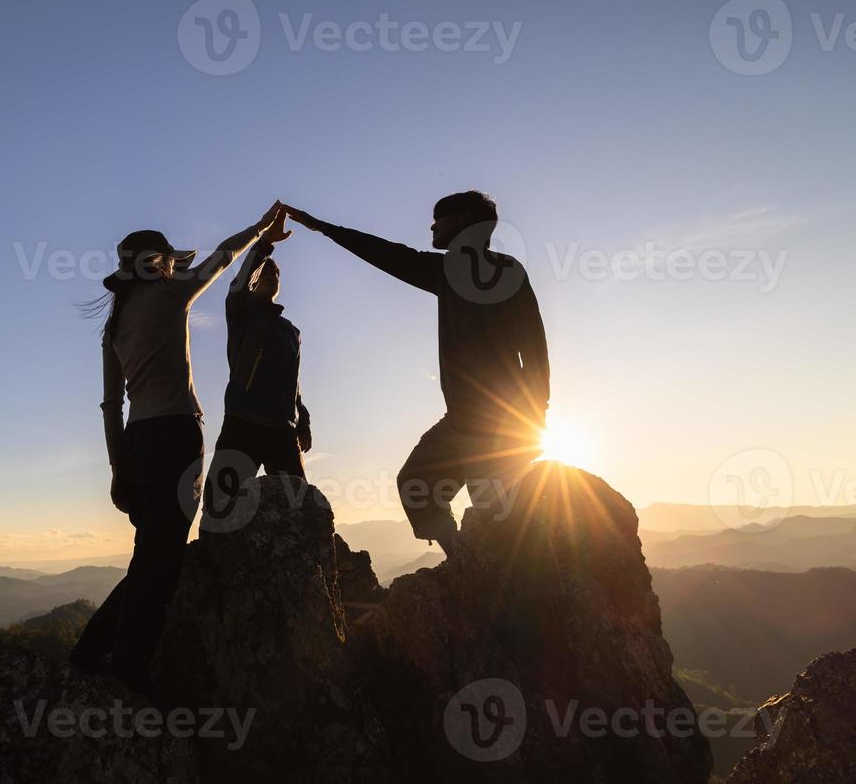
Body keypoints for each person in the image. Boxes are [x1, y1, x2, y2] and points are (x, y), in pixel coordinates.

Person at [70, 201, 282, 693]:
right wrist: (262, 230)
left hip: (137, 447)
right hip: (176, 436)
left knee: (153, 555)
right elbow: (225, 255)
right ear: (161, 264)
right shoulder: (170, 295)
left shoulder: (114, 326)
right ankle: (125, 669)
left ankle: (91, 653)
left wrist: (117, 468)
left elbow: (110, 405)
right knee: (159, 563)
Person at [283, 192, 549, 556]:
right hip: (466, 423)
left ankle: (497, 582)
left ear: (465, 220)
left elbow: (533, 347)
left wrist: (535, 412)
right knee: (417, 484)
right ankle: (464, 557)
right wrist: (324, 228)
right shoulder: (466, 271)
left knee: (503, 527)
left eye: (440, 217)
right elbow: (386, 253)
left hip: (500, 429)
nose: (432, 225)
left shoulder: (476, 273)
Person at [203, 208, 312, 523]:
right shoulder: (240, 314)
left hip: (282, 431)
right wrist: (265, 247)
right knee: (218, 507)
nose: (272, 274)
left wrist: (303, 422)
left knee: (300, 511)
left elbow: (294, 383)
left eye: (276, 272)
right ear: (253, 282)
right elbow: (237, 284)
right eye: (266, 272)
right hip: (242, 424)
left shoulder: (291, 331)